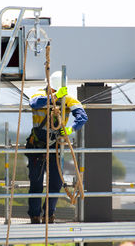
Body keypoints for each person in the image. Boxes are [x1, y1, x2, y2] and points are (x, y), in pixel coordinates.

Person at [26, 71, 88, 224]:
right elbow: (34, 103)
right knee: (36, 182)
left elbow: (82, 116)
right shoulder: (40, 94)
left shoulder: (69, 99)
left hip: (56, 147)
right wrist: (53, 97)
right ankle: (34, 215)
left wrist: (70, 129)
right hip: (37, 146)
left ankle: (49, 214)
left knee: (55, 183)